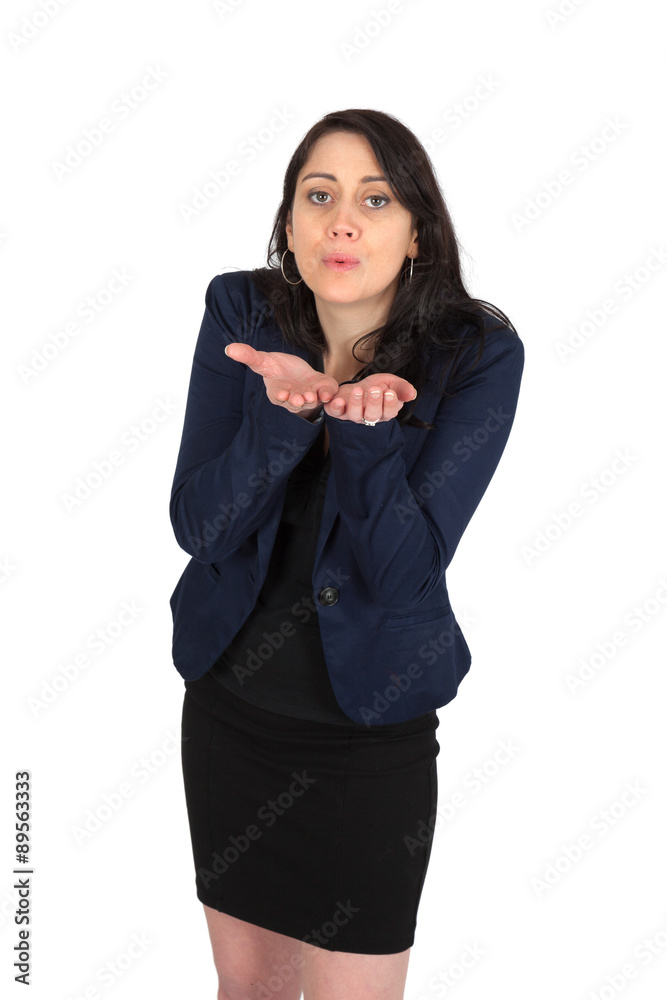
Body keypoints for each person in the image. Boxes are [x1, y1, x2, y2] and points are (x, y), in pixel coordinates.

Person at [170, 108, 525, 1000]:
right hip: (230, 716)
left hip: (368, 742)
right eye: (318, 195)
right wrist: (284, 422)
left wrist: (365, 440)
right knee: (246, 991)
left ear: (417, 233)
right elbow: (201, 528)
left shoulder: (476, 353)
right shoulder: (241, 312)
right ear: (289, 223)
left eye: (375, 199)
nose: (342, 222)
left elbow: (405, 575)